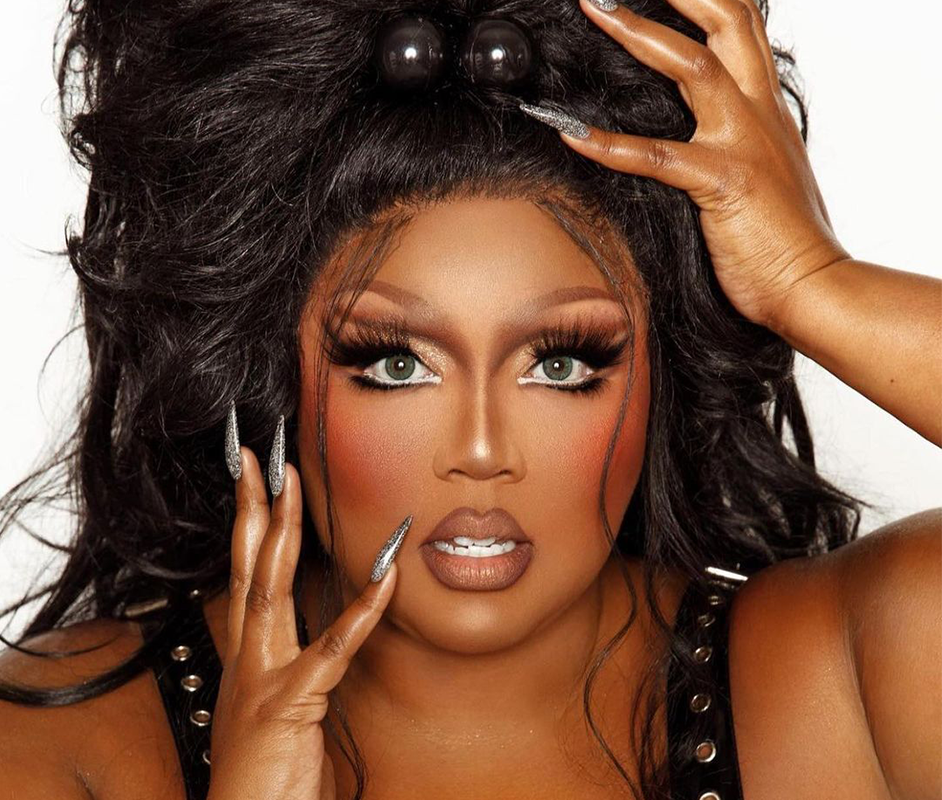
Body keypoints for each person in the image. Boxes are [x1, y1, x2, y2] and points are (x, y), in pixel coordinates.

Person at [0, 0, 940, 798]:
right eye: (395, 366)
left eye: (560, 365)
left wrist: (813, 283)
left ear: (663, 371)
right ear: (269, 373)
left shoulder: (851, 681)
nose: (482, 451)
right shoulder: (64, 747)